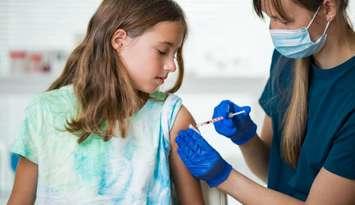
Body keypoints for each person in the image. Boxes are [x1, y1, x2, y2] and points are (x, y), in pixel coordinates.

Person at [7, 0, 205, 204]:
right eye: (163, 51)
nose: (172, 66)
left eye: (176, 54)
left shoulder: (171, 118)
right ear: (119, 40)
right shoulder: (44, 111)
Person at [175, 0, 355, 204]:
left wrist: (223, 176)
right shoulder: (287, 60)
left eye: (283, 20)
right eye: (270, 18)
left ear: (328, 8)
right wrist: (246, 138)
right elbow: (271, 170)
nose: (273, 30)